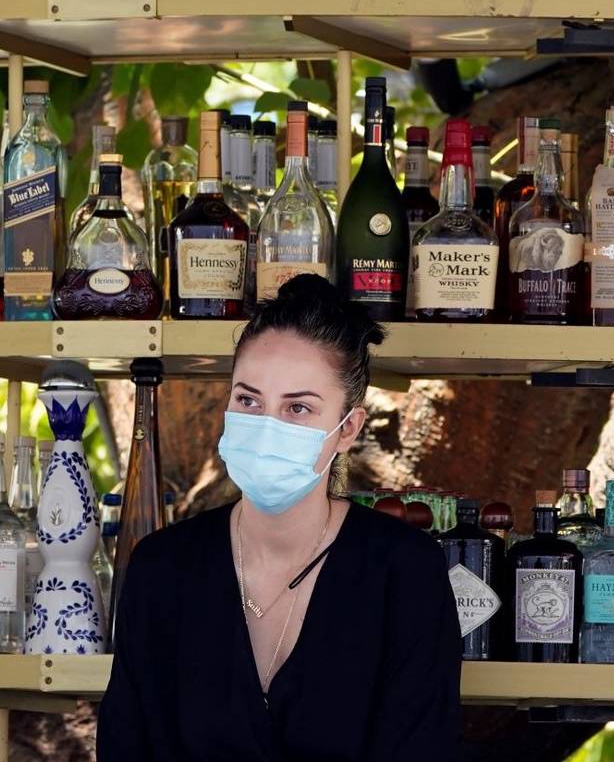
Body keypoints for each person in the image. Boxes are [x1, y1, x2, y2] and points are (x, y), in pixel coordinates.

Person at [97, 274, 462, 761]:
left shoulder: (405, 571)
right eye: (248, 400)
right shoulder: (163, 569)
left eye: (298, 409)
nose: (267, 427)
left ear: (347, 427)